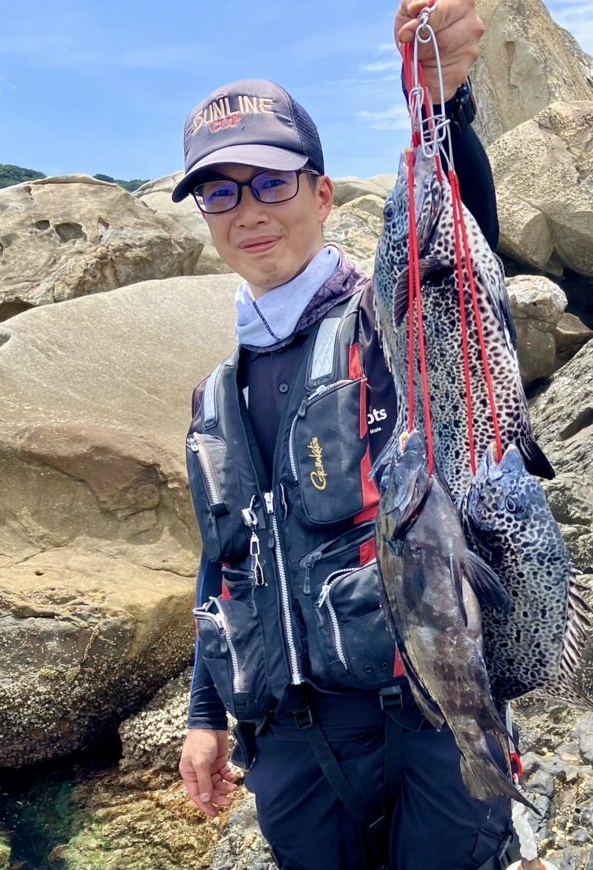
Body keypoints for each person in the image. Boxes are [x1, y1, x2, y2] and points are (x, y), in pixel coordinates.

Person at [176, 2, 518, 868]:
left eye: (273, 181)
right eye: (220, 190)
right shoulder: (214, 396)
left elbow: (459, 243)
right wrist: (206, 720)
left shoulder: (387, 322)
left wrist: (442, 105)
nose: (249, 209)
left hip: (427, 717)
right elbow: (224, 563)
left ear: (323, 193)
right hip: (290, 749)